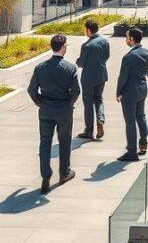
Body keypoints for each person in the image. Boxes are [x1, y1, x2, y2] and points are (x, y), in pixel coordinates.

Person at [27, 34, 81, 194]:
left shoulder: (40, 67)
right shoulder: (70, 68)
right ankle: (64, 173)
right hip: (64, 110)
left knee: (45, 142)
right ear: (63, 47)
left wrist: (39, 102)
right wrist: (69, 104)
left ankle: (46, 174)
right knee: (64, 142)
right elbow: (76, 91)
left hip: (46, 109)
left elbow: (31, 89)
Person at [115, 27, 148, 162]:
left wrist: (118, 92)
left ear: (131, 39)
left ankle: (131, 151)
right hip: (142, 88)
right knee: (140, 115)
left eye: (127, 37)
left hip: (130, 91)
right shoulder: (146, 53)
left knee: (130, 121)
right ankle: (143, 143)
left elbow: (122, 77)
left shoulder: (128, 57)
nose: (126, 39)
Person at [75, 19, 110, 140]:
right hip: (101, 75)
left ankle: (89, 131)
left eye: (86, 30)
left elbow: (81, 63)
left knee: (88, 104)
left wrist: (77, 61)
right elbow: (107, 56)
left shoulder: (86, 46)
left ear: (89, 30)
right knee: (99, 99)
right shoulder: (104, 41)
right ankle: (100, 120)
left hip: (88, 78)